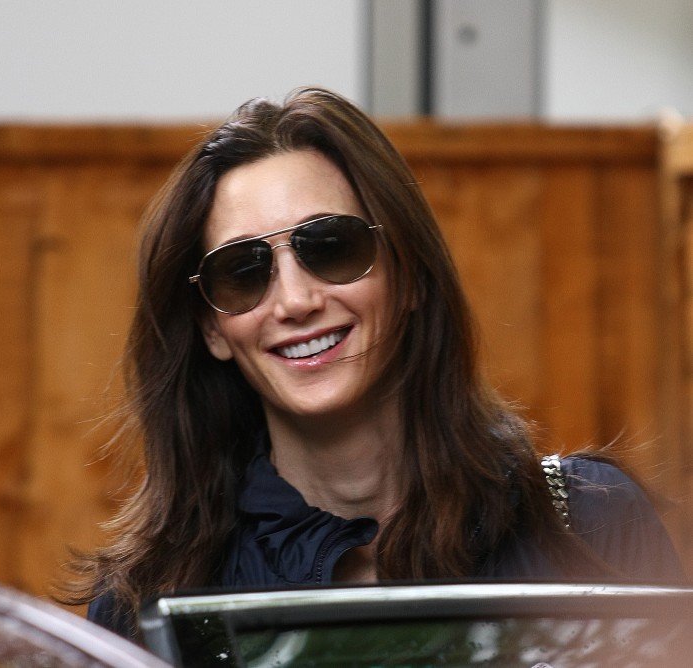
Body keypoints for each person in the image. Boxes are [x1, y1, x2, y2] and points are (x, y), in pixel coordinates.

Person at [65, 87, 684, 640]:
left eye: (331, 247)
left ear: (409, 275)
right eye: (244, 272)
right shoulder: (143, 605)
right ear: (212, 327)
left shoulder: (594, 522)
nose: (297, 301)